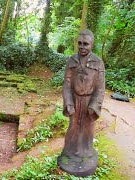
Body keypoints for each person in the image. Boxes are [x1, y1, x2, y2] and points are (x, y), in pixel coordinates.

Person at [58, 29, 105, 176]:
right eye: (80, 43)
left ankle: (87, 154)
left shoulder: (98, 62)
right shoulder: (71, 60)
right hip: (75, 99)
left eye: (86, 44)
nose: (82, 47)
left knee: (88, 128)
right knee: (73, 126)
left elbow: (101, 87)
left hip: (89, 101)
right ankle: (69, 153)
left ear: (92, 45)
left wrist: (94, 105)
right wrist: (69, 103)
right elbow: (66, 83)